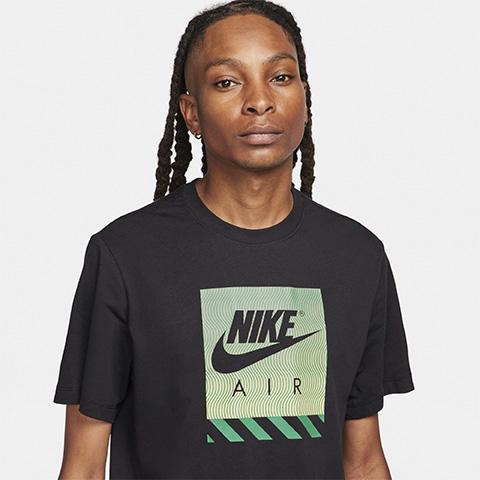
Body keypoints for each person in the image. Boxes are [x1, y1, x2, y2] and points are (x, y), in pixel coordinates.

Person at [53, 1, 415, 479]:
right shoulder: (125, 256)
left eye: (280, 77)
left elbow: (364, 462)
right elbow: (82, 467)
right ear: (192, 113)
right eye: (227, 82)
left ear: (305, 97)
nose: (259, 101)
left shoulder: (357, 257)